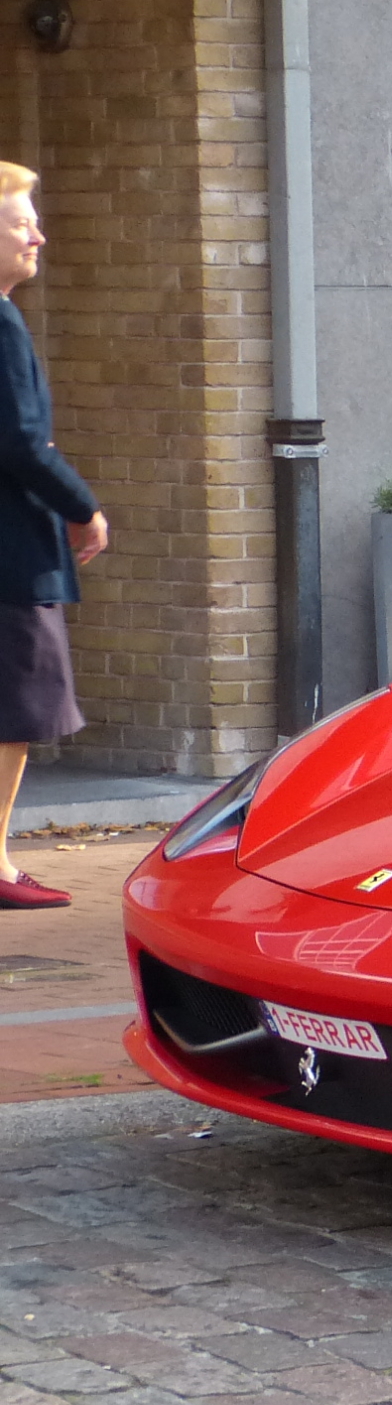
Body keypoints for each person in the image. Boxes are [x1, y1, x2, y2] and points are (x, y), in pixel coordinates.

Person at [0, 161, 106, 908]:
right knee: (17, 711)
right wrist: (83, 507)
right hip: (10, 555)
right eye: (19, 221)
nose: (38, 232)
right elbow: (21, 439)